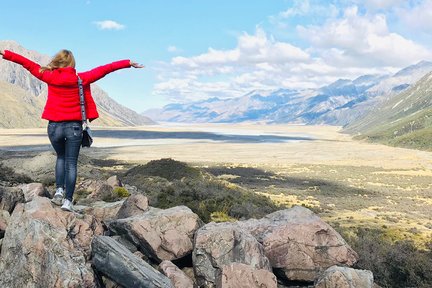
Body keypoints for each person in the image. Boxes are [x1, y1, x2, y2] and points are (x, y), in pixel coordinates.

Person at [0, 48, 144, 212]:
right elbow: (106, 69)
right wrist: (127, 63)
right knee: (71, 163)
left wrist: (5, 53)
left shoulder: (48, 75)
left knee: (60, 158)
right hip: (74, 128)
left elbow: (26, 63)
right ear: (72, 63)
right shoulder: (81, 78)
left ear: (58, 62)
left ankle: (59, 192)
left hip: (54, 127)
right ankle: (68, 202)